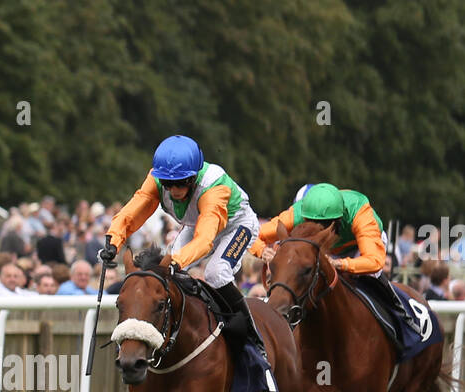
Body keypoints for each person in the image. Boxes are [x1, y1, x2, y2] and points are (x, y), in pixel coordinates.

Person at [103, 135, 260, 345]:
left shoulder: (214, 188)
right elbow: (133, 211)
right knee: (165, 272)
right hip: (199, 223)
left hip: (237, 224)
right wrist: (112, 242)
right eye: (168, 184)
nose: (175, 191)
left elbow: (205, 240)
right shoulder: (156, 178)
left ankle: (252, 336)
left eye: (181, 183)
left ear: (194, 177)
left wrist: (177, 261)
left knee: (216, 272)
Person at [252, 181, 408, 322]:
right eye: (311, 222)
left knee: (369, 279)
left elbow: (375, 261)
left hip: (360, 248)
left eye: (324, 224)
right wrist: (263, 251)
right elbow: (252, 233)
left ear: (338, 220)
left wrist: (340, 264)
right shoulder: (297, 214)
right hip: (326, 251)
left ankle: (400, 315)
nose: (316, 229)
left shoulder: (359, 213)